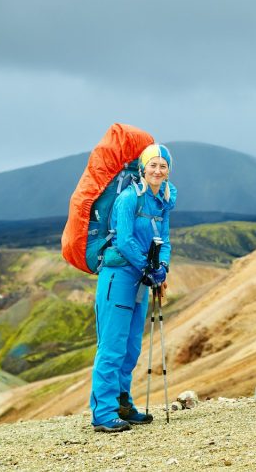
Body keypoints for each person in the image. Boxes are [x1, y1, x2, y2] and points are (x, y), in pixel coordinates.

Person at [89, 143, 176, 432]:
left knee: (129, 349)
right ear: (143, 168)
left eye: (163, 166)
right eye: (153, 164)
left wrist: (161, 269)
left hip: (140, 279)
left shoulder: (163, 201)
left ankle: (123, 406)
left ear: (168, 172)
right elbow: (124, 240)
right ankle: (103, 413)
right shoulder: (128, 198)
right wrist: (148, 267)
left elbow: (164, 239)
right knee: (112, 347)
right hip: (118, 278)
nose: (158, 170)